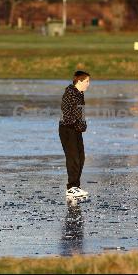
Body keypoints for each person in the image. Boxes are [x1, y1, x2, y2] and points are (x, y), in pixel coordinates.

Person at [59, 70, 90, 198]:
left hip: (76, 129)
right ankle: (71, 187)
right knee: (73, 158)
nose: (88, 84)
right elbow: (67, 114)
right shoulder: (70, 93)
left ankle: (76, 186)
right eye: (87, 81)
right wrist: (77, 124)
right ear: (79, 81)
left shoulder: (80, 93)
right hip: (67, 129)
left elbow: (80, 113)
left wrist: (82, 125)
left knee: (81, 157)